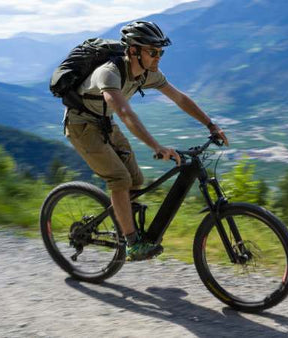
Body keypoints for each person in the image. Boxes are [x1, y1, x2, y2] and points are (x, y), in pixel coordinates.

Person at [63, 21, 229, 261]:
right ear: (133, 51)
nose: (158, 57)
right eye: (153, 51)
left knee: (136, 180)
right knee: (120, 179)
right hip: (81, 126)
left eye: (160, 52)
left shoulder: (148, 73)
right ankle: (131, 243)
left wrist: (210, 125)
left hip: (104, 122)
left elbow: (180, 98)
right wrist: (157, 147)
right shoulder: (109, 73)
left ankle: (124, 223)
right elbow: (125, 113)